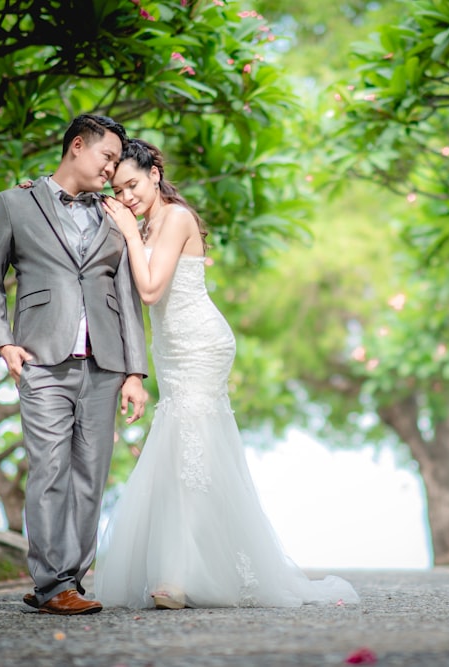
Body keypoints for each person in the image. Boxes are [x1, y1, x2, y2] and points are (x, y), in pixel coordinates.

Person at [93, 139, 359, 609]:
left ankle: (177, 578)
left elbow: (151, 290)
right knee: (187, 457)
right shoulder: (148, 221)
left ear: (155, 173)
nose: (127, 195)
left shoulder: (174, 218)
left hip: (201, 345)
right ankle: (189, 570)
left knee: (190, 458)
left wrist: (129, 233)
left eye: (133, 184)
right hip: (171, 353)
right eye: (119, 189)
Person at [0, 114, 149, 616]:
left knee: (90, 477)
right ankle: (53, 585)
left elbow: (127, 295)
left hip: (105, 363)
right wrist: (2, 343)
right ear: (77, 146)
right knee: (49, 468)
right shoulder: (14, 203)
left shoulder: (115, 215)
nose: (112, 170)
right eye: (107, 157)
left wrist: (135, 372)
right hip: (41, 361)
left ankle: (68, 579)